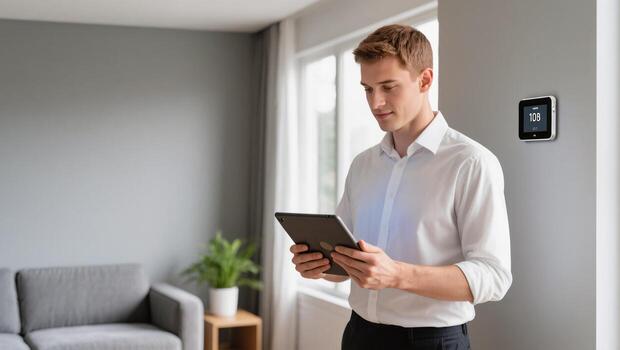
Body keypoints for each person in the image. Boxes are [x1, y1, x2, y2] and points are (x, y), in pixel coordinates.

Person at [289, 24, 512, 349]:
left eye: (388, 87)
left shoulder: (471, 163)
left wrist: (396, 275)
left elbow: (493, 276)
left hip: (431, 341)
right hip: (359, 335)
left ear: (425, 80)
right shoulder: (363, 165)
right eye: (367, 89)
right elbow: (344, 263)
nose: (376, 102)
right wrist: (321, 266)